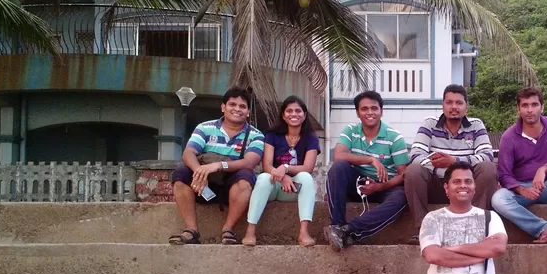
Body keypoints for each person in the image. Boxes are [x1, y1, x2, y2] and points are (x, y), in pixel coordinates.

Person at [168, 87, 265, 245]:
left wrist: (218, 165)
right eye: (232, 104)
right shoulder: (205, 128)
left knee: (246, 176)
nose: (237, 109)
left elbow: (250, 162)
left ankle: (228, 229)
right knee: (181, 173)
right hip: (202, 186)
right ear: (223, 107)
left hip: (232, 189)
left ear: (248, 112)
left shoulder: (256, 135)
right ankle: (192, 230)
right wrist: (199, 171)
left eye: (242, 106)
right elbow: (188, 153)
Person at [405, 84, 497, 242]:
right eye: (449, 102)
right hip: (436, 185)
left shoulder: (476, 125)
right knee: (413, 171)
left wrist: (454, 162)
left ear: (466, 107)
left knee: (488, 169)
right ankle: (424, 230)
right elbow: (415, 155)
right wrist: (445, 172)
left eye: (459, 103)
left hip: (465, 187)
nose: (454, 107)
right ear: (443, 105)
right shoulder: (429, 124)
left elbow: (486, 155)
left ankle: (476, 228)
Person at [492, 87, 547, 246]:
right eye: (525, 105)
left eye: (534, 105)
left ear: (542, 107)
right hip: (523, 191)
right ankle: (542, 228)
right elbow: (504, 174)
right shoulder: (509, 136)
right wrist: (521, 190)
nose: (530, 110)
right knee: (498, 199)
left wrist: (544, 169)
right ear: (518, 108)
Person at [324, 91, 409, 250]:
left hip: (385, 186)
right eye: (364, 109)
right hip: (358, 184)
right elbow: (338, 155)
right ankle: (336, 225)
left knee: (402, 196)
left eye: (374, 108)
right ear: (358, 113)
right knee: (339, 167)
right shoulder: (350, 130)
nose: (370, 112)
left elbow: (403, 174)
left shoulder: (394, 137)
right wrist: (371, 159)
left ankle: (350, 230)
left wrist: (380, 186)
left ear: (381, 111)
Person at [243, 95, 320, 247]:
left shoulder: (311, 137)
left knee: (305, 177)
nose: (294, 114)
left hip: (293, 189)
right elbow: (267, 165)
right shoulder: (272, 135)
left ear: (304, 115)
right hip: (273, 186)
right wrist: (282, 177)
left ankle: (303, 232)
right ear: (283, 115)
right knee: (264, 178)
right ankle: (250, 231)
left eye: (298, 111)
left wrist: (285, 168)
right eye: (289, 111)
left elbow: (308, 167)